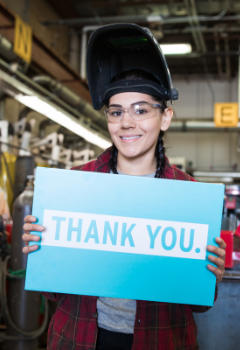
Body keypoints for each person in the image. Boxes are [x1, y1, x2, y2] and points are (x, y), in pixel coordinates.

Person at [21, 24, 226, 350]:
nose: (127, 122)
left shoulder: (190, 198)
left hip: (159, 339)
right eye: (116, 112)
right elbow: (52, 291)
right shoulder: (74, 186)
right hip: (81, 338)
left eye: (141, 110)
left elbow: (200, 303)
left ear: (166, 117)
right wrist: (42, 249)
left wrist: (211, 274)